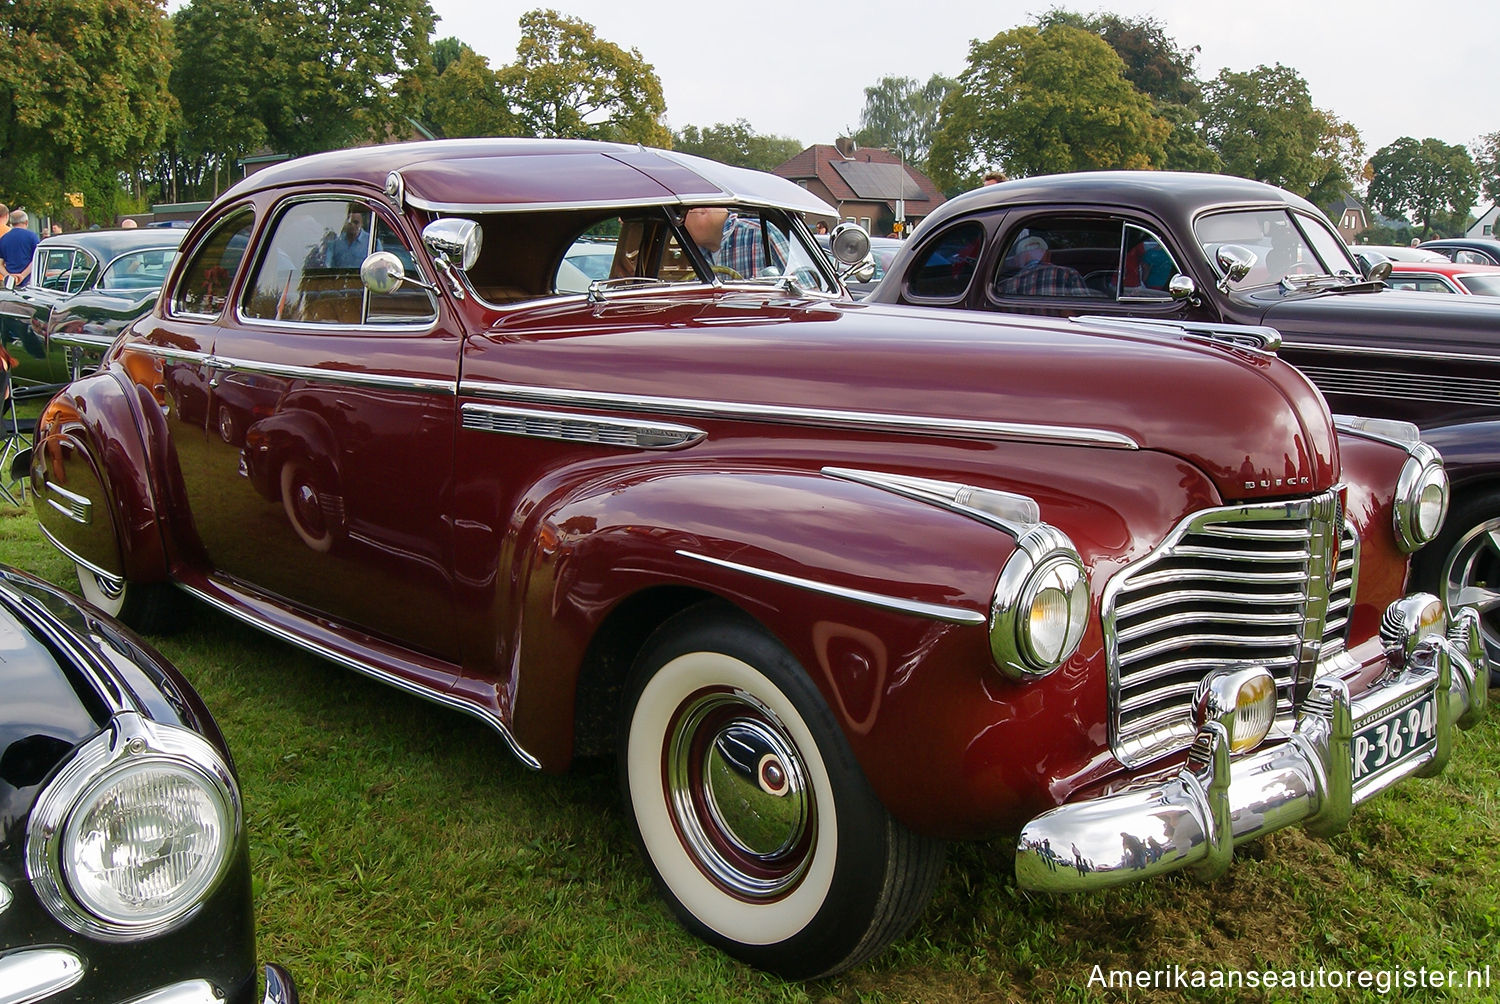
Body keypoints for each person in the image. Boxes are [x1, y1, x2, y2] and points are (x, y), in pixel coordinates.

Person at [682, 206, 789, 278]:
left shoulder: (760, 232)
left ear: (702, 211)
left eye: (682, 215)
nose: (681, 223)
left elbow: (801, 289)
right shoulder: (691, 251)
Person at [994, 234, 1089, 297]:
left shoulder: (1005, 287)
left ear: (1019, 260)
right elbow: (1086, 311)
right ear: (1048, 255)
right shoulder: (1069, 274)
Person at [0, 209, 41, 286]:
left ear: (11, 222)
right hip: (30, 281)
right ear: (26, 222)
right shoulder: (32, 236)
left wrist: (9, 276)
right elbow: (37, 259)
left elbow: (0, 264)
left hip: (10, 283)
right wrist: (22, 276)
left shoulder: (3, 238)